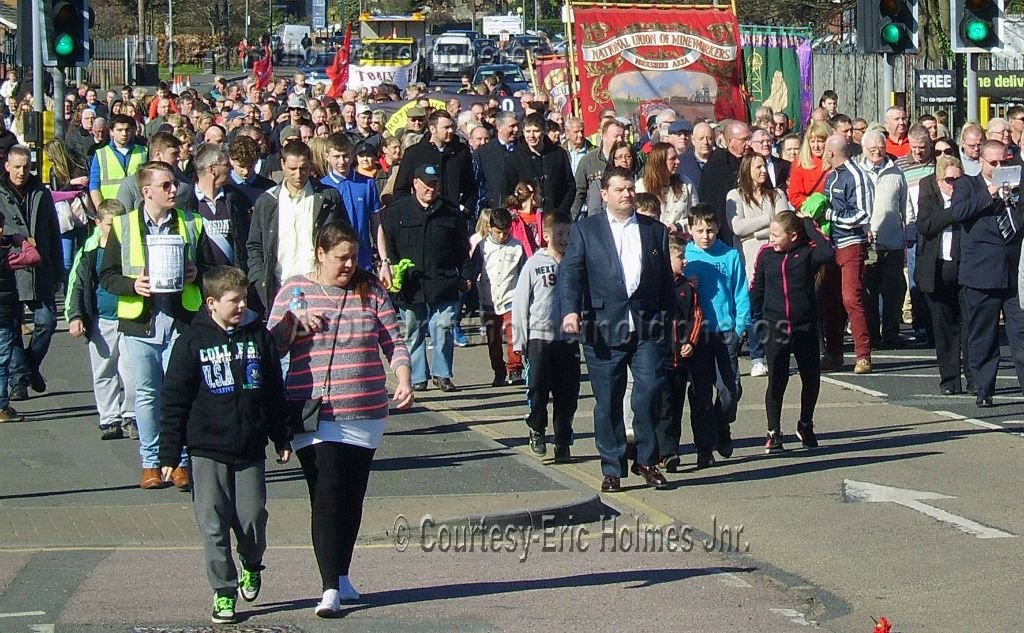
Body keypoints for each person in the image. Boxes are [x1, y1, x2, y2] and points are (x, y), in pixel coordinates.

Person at [267, 222, 413, 617]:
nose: (349, 265)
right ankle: (329, 586)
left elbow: (393, 340)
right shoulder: (295, 290)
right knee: (328, 493)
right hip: (314, 411)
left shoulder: (372, 290)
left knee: (350, 497)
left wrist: (403, 377)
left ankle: (342, 574)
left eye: (353, 257)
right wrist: (294, 325)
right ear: (320, 254)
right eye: (340, 258)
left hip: (364, 411)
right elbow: (270, 345)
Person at [159, 266, 291, 625]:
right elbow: (173, 400)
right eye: (235, 301)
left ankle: (251, 562)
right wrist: (169, 453)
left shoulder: (258, 337)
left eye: (245, 299)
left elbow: (273, 392)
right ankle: (223, 592)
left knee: (251, 519)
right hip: (206, 449)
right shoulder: (191, 341)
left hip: (250, 447)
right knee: (213, 524)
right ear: (212, 302)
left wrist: (281, 435)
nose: (242, 306)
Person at [559, 166, 677, 493]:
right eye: (620, 189)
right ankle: (612, 466)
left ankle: (647, 460)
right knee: (608, 400)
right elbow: (570, 274)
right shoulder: (586, 230)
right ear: (605, 194)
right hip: (602, 326)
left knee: (650, 390)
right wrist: (570, 311)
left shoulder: (655, 231)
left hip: (647, 325)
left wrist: (671, 320)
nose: (627, 194)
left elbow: (666, 281)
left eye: (630, 189)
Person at [99, 161, 213, 490]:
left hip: (180, 321)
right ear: (146, 191)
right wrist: (132, 285)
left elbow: (212, 269)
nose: (173, 189)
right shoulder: (123, 226)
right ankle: (151, 462)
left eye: (174, 184)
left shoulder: (192, 223)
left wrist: (198, 275)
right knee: (146, 394)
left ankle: (179, 461)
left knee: (180, 393)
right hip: (141, 322)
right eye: (165, 185)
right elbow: (107, 275)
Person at [750, 211, 835, 453]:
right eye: (770, 234)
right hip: (774, 326)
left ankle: (805, 424)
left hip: (805, 325)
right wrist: (752, 320)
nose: (771, 239)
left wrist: (808, 223)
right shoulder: (766, 255)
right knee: (777, 379)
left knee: (811, 378)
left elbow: (828, 251)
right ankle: (773, 431)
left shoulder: (807, 252)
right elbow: (758, 288)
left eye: (777, 235)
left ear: (794, 236)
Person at [381, 165, 469, 392]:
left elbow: (463, 246)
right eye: (427, 184)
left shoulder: (450, 211)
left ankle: (442, 374)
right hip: (411, 283)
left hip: (444, 279)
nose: (431, 188)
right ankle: (418, 376)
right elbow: (388, 243)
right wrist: (390, 267)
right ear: (415, 184)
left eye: (435, 184)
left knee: (444, 326)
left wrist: (466, 274)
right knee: (413, 329)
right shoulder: (398, 211)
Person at [953, 140, 1024, 407]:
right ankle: (984, 389)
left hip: (1013, 272)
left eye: (1003, 162)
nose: (998, 167)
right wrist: (990, 194)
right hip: (982, 273)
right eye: (993, 163)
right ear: (981, 161)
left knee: (1020, 333)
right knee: (984, 334)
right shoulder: (967, 185)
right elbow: (958, 213)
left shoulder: (1018, 184)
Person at [684, 203, 751, 466]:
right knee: (700, 392)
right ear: (690, 230)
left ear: (718, 229)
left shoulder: (730, 256)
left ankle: (722, 425)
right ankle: (704, 447)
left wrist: (739, 327)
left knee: (729, 389)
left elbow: (740, 293)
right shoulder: (688, 257)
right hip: (698, 334)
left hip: (725, 332)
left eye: (710, 230)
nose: (706, 236)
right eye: (700, 230)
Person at [246, 141, 347, 312]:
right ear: (282, 165)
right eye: (292, 169)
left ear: (310, 165)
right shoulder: (267, 201)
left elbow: (344, 239)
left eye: (303, 168)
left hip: (320, 287)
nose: (298, 174)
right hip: (279, 287)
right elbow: (255, 245)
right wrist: (259, 279)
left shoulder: (328, 198)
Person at [65, 200, 136, 439]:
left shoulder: (132, 248)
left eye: (120, 225)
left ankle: (131, 415)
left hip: (131, 318)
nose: (115, 230)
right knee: (104, 370)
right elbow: (77, 285)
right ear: (98, 223)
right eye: (109, 225)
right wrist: (75, 316)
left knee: (132, 371)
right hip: (101, 320)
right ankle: (109, 419)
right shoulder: (90, 251)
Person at [511, 211, 579, 461]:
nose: (564, 239)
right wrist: (519, 340)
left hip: (568, 338)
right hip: (539, 337)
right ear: (547, 235)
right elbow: (520, 304)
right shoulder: (535, 264)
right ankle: (537, 428)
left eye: (568, 234)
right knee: (538, 388)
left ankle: (563, 439)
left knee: (567, 393)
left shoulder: (574, 262)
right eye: (560, 234)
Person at [0, 146, 64, 401]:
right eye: (16, 167)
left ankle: (29, 366)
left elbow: (53, 231)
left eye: (26, 167)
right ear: (7, 166)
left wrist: (59, 269)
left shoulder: (41, 192)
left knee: (47, 322)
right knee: (11, 329)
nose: (21, 172)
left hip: (41, 269)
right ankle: (19, 381)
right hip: (11, 269)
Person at [726, 152, 790, 378]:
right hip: (749, 263)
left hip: (775, 261)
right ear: (747, 170)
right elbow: (738, 227)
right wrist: (767, 220)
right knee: (754, 312)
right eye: (758, 167)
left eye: (764, 166)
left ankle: (776, 355)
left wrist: (759, 231)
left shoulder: (777, 194)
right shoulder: (735, 195)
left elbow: (785, 224)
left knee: (773, 311)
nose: (763, 170)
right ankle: (757, 357)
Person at [915, 155, 973, 395]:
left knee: (970, 328)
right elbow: (926, 225)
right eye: (949, 180)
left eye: (958, 180)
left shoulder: (970, 198)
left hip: (965, 271)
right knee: (944, 330)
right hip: (937, 271)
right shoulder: (929, 198)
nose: (954, 185)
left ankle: (975, 379)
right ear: (939, 180)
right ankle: (949, 380)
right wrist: (954, 211)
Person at [821, 134, 874, 374]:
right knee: (830, 300)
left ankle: (863, 355)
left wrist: (830, 216)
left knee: (851, 298)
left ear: (831, 153)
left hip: (852, 243)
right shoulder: (831, 176)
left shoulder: (857, 175)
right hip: (830, 245)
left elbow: (863, 214)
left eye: (824, 150)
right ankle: (834, 353)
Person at [653, 236, 703, 472]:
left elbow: (696, 317)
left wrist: (690, 343)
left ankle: (670, 450)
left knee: (675, 406)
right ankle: (661, 450)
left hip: (679, 361)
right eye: (680, 257)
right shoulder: (654, 286)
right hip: (658, 358)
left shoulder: (688, 288)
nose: (685, 261)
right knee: (660, 405)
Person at [860, 129, 908, 348]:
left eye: (880, 147)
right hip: (868, 243)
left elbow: (905, 206)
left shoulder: (897, 173)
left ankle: (891, 332)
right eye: (872, 148)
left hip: (894, 241)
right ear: (864, 149)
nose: (877, 151)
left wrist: (907, 233)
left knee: (893, 291)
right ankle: (872, 334)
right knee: (868, 292)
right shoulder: (858, 172)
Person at [468, 208, 526, 387]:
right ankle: (498, 371)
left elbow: (523, 272)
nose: (502, 236)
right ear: (490, 228)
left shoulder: (517, 247)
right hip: (489, 299)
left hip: (511, 297)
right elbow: (474, 268)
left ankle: (515, 369)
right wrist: (468, 280)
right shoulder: (483, 247)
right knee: (493, 340)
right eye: (498, 232)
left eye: (505, 232)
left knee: (513, 334)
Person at [0, 208, 40, 422]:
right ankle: (1, 407)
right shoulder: (6, 256)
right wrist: (20, 240)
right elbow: (33, 257)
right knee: (2, 361)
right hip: (4, 314)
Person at [503, 113, 575, 216]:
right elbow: (507, 189)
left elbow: (570, 186)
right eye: (528, 131)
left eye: (536, 131)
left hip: (556, 217)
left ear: (544, 131)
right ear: (523, 132)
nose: (531, 136)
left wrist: (561, 211)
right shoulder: (513, 158)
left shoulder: (558, 154)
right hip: (525, 217)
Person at [699, 121, 751, 246]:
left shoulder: (751, 160)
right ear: (730, 142)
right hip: (726, 231)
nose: (748, 143)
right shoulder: (716, 165)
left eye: (749, 139)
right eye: (743, 140)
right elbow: (710, 200)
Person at [636, 142, 697, 235]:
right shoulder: (641, 186)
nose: (678, 162)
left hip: (679, 243)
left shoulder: (685, 183)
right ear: (660, 162)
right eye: (672, 159)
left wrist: (679, 226)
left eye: (677, 158)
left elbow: (696, 215)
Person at [571, 118, 625, 217]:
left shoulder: (631, 159)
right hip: (596, 216)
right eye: (616, 136)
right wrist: (572, 218)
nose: (620, 140)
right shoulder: (588, 161)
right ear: (604, 137)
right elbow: (579, 192)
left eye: (622, 136)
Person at [787, 121, 831, 210]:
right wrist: (816, 206)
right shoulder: (800, 163)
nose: (816, 146)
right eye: (812, 141)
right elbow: (795, 197)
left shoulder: (836, 160)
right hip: (811, 215)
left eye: (820, 141)